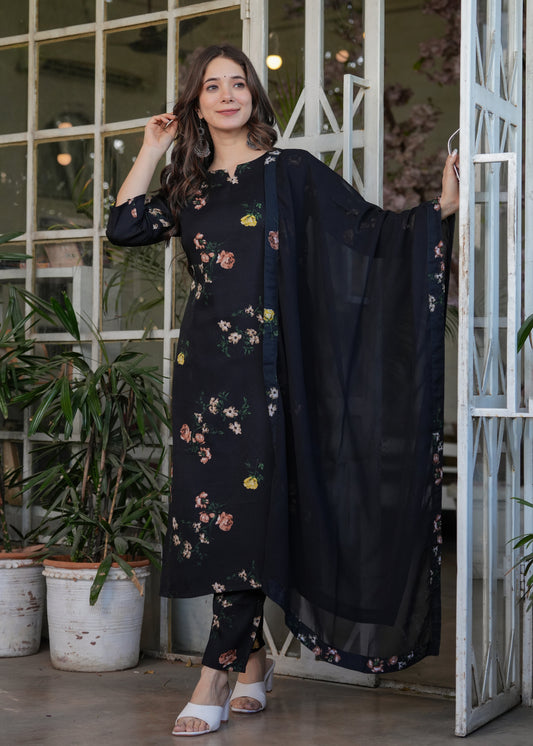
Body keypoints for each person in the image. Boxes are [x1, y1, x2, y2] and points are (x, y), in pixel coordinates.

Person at [106, 44, 459, 736]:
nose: (227, 95)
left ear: (253, 97)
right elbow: (123, 226)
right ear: (195, 103)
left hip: (271, 378)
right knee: (217, 517)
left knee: (250, 516)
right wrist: (151, 148)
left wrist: (438, 211)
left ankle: (215, 670)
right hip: (206, 376)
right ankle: (252, 664)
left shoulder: (288, 173)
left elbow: (369, 234)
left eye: (238, 83)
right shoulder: (189, 188)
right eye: (213, 86)